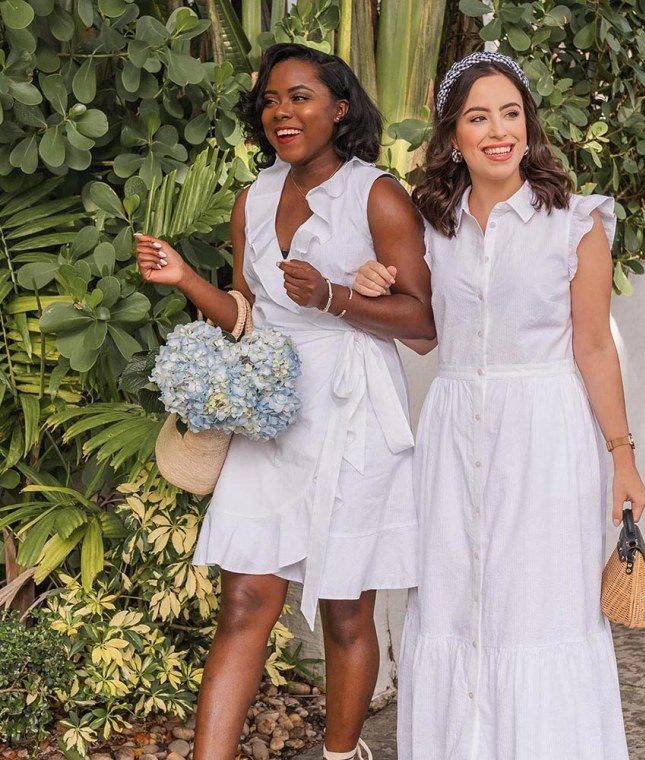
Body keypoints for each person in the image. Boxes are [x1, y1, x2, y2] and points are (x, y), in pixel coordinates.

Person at [134, 42, 434, 760]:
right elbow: (247, 313)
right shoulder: (254, 197)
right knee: (244, 600)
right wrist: (183, 279)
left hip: (353, 410)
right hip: (273, 410)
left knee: (345, 611)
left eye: (300, 96)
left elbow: (425, 325)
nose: (281, 112)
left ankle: (341, 755)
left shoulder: (378, 194)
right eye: (270, 99)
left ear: (339, 106)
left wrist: (331, 297)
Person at [352, 52, 645, 759]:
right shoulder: (430, 227)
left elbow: (595, 348)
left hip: (545, 434)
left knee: (542, 610)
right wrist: (370, 283)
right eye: (478, 116)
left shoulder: (576, 223)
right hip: (452, 434)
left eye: (510, 114)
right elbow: (425, 335)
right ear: (453, 135)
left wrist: (624, 458)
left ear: (529, 126)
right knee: (453, 605)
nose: (498, 130)